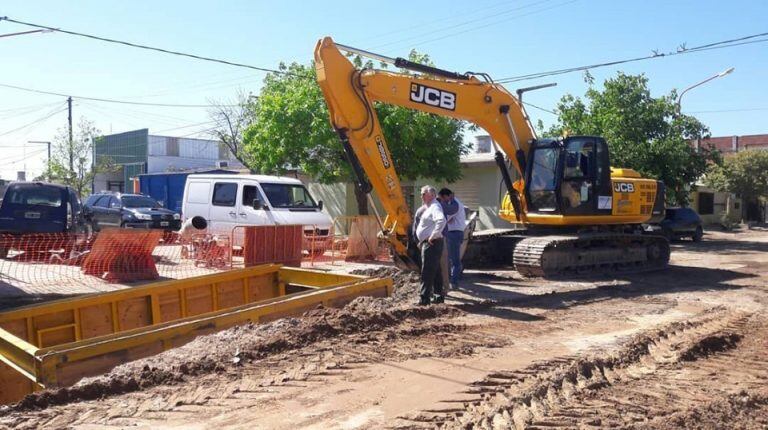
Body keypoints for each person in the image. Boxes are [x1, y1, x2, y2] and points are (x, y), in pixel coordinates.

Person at [414, 185, 446, 305]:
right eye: (421, 193)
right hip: (430, 243)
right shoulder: (429, 207)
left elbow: (441, 220)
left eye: (424, 193)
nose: (421, 196)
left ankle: (424, 299)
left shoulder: (435, 207)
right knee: (436, 270)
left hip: (432, 243)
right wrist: (422, 240)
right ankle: (438, 296)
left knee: (426, 272)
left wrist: (433, 235)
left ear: (432, 195)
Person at [438, 188, 466, 288]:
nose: (442, 201)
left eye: (441, 198)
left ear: (446, 196)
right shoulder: (453, 203)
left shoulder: (455, 205)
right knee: (452, 260)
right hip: (454, 233)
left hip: (454, 233)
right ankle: (452, 281)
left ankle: (453, 283)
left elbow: (446, 219)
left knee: (454, 261)